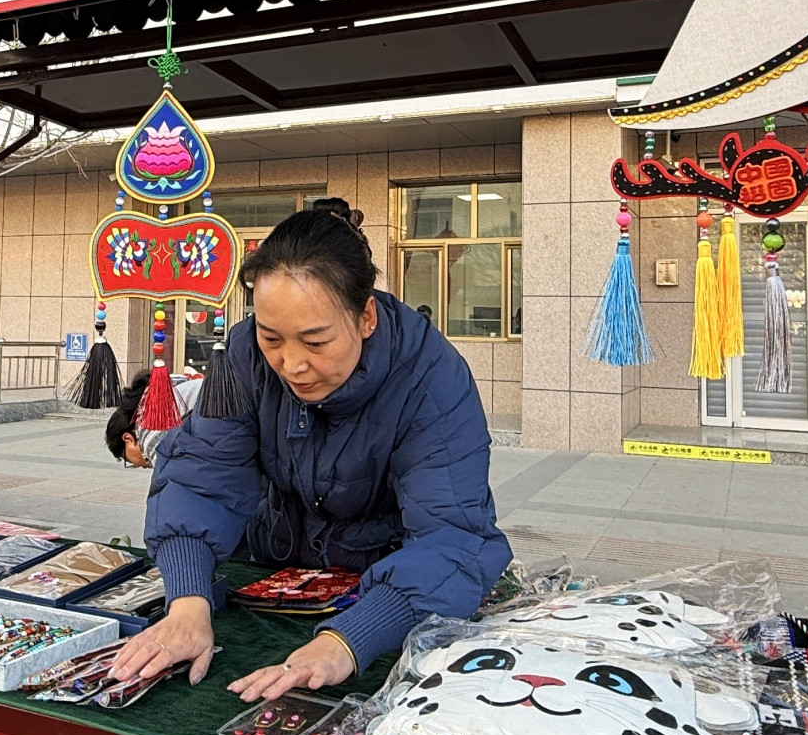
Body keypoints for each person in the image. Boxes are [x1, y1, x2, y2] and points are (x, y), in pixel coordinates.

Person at [111, 198, 510, 702]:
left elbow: (454, 536)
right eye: (272, 338)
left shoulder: (431, 378)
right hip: (271, 573)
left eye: (316, 342)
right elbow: (201, 475)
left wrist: (348, 641)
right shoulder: (244, 356)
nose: (292, 365)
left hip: (391, 594)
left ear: (366, 317)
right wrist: (188, 603)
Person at [105, 369, 204, 468]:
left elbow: (172, 473)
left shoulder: (149, 430)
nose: (140, 466)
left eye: (129, 461)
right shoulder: (167, 383)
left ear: (128, 439)